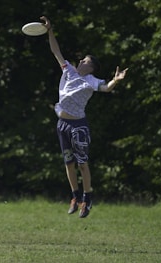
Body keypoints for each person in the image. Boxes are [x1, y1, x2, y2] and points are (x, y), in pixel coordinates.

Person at [40, 16, 128, 218]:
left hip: (78, 126)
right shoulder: (69, 70)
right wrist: (49, 30)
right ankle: (75, 196)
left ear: (91, 68)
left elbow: (106, 88)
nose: (81, 61)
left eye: (85, 61)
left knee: (82, 164)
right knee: (68, 163)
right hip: (62, 124)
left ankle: (87, 198)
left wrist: (116, 80)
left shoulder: (91, 81)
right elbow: (56, 51)